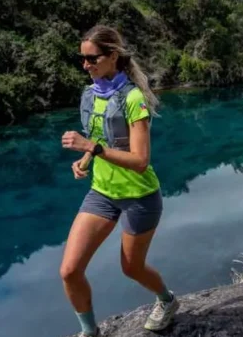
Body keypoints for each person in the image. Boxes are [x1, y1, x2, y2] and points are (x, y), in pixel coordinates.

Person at [60, 25, 177, 337]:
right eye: (82, 59)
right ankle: (89, 331)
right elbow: (100, 136)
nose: (86, 65)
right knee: (69, 270)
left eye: (92, 58)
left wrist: (91, 148)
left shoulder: (133, 98)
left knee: (131, 268)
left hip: (139, 195)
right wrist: (85, 160)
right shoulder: (92, 94)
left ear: (112, 56)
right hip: (102, 192)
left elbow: (140, 162)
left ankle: (166, 300)